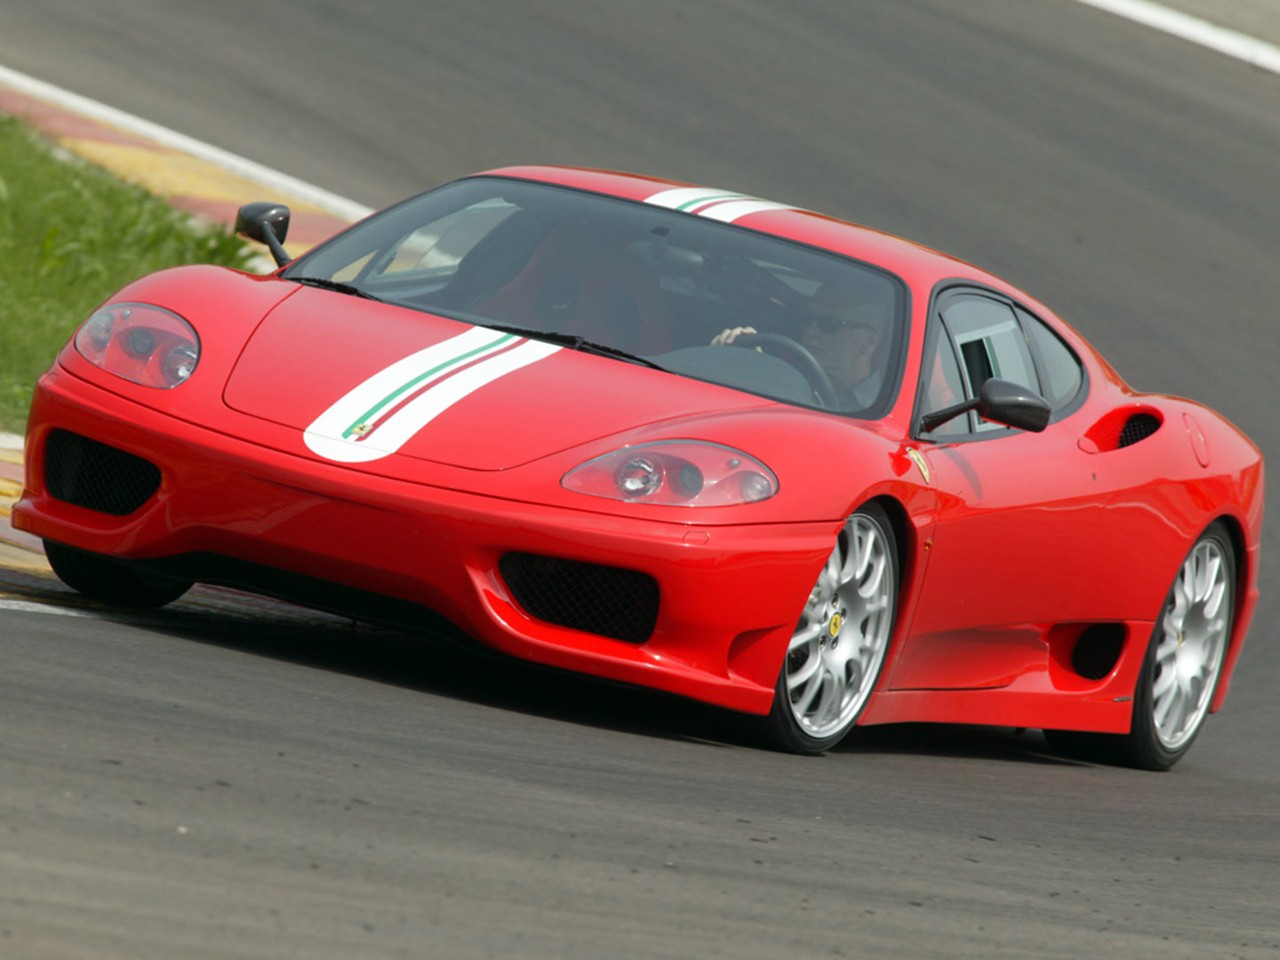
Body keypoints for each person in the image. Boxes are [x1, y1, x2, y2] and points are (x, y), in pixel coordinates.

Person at [711, 280, 885, 408]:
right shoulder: (778, 375)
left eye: (829, 324)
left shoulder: (885, 409)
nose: (811, 331)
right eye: (808, 319)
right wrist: (729, 365)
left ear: (870, 342)